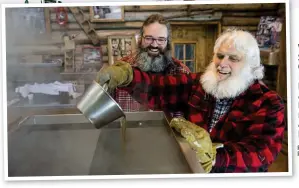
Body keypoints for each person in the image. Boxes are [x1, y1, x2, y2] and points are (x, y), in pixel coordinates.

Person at [96, 29, 286, 173]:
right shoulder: (199, 84)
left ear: (251, 65)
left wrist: (216, 157)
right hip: (193, 172)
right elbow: (159, 87)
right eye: (220, 56)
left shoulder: (268, 102)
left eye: (233, 58)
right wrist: (128, 76)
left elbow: (262, 152)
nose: (222, 63)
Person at [114, 14, 190, 113]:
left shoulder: (182, 72)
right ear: (141, 38)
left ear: (168, 41)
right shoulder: (121, 69)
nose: (154, 45)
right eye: (149, 38)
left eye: (161, 39)